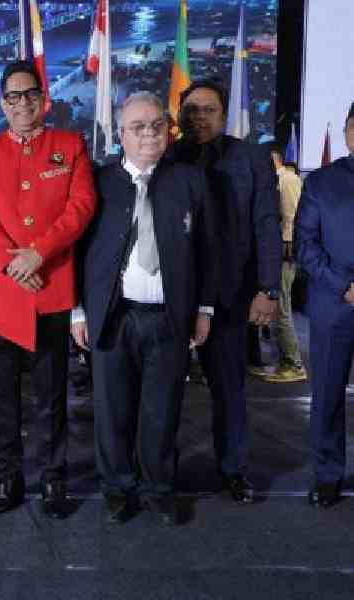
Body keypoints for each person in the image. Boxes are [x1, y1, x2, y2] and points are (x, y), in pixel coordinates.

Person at [71, 92, 218, 525]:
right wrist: (78, 311)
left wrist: (205, 309)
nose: (149, 134)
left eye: (157, 125)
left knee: (163, 408)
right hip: (112, 315)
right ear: (121, 134)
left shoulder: (190, 181)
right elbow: (77, 251)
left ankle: (158, 487)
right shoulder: (98, 182)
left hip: (170, 317)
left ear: (168, 131)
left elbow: (209, 250)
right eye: (138, 127)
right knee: (112, 409)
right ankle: (117, 487)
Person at [0, 60, 96, 516]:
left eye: (30, 95)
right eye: (13, 97)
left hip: (51, 287)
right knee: (4, 398)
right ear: (3, 104)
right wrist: (13, 260)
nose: (22, 104)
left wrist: (38, 253)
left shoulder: (70, 145)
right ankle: (7, 478)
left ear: (44, 99)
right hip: (3, 292)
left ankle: (54, 479)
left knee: (52, 396)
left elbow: (81, 207)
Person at [168, 80, 281, 504]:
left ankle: (233, 470)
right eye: (192, 110)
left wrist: (268, 288)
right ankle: (160, 472)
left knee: (229, 389)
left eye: (209, 109)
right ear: (180, 115)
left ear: (224, 113)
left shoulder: (251, 158)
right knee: (164, 391)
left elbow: (266, 225)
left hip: (231, 296)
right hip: (173, 296)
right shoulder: (166, 156)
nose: (199, 117)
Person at [294, 102, 354, 508]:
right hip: (335, 304)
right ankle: (327, 476)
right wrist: (344, 286)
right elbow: (305, 244)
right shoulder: (321, 182)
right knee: (328, 394)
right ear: (347, 132)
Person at [261, 144, 307, 383]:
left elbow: (292, 217)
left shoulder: (286, 179)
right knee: (278, 306)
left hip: (284, 250)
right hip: (281, 248)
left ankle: (293, 363)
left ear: (273, 159)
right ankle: (286, 360)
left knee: (281, 307)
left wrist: (286, 246)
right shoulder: (282, 179)